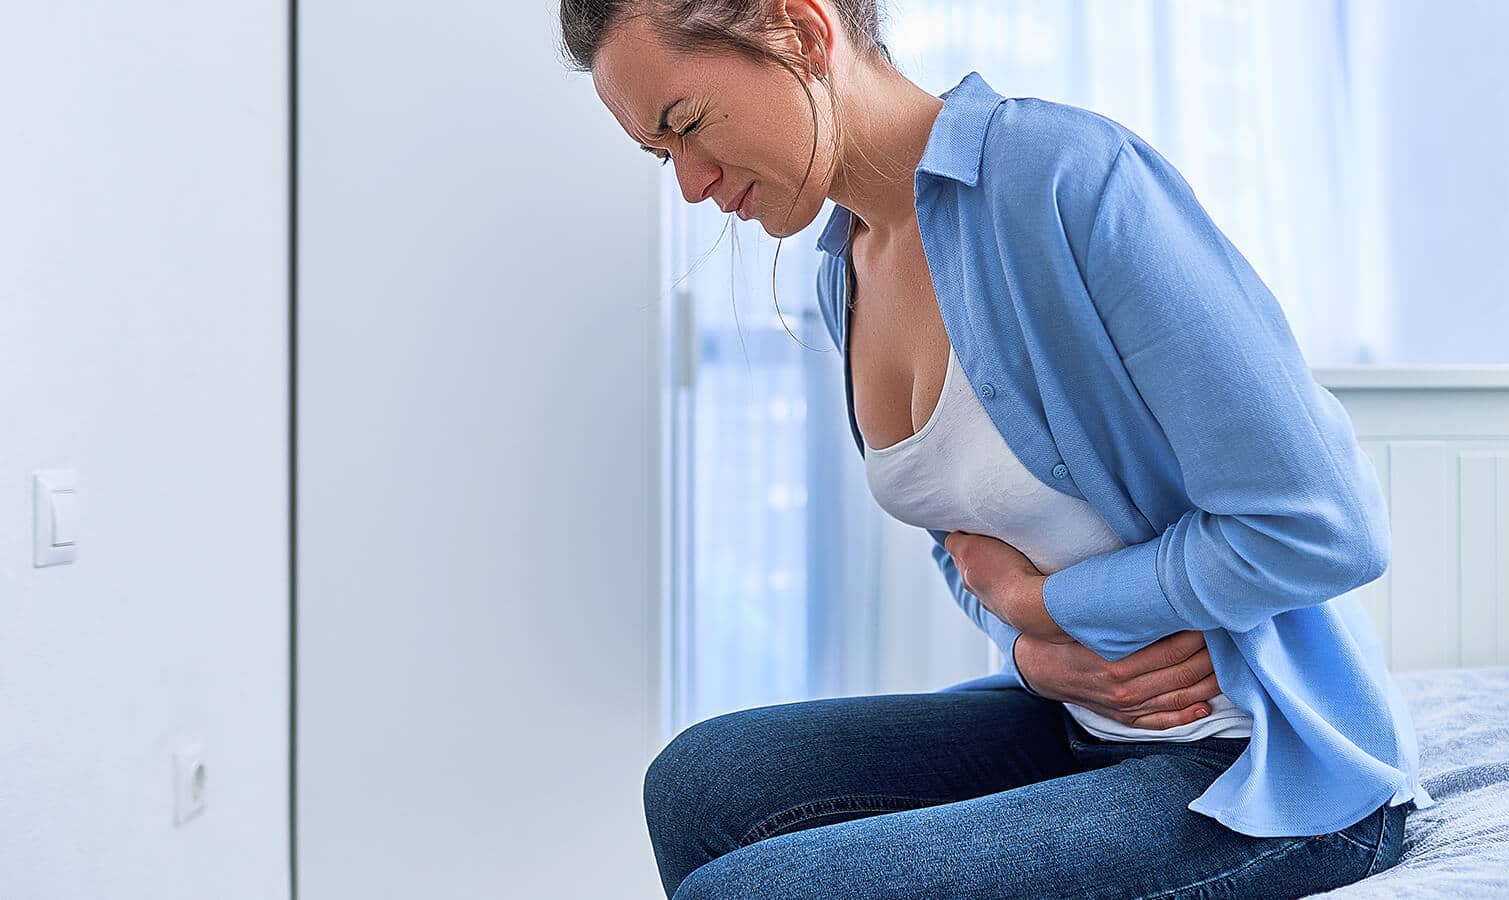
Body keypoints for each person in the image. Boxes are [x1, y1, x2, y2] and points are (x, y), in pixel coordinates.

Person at [563, 1, 1434, 897]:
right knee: (699, 781)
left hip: (1259, 760)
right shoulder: (846, 268)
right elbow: (971, 547)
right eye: (661, 155)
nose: (691, 186)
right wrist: (1031, 649)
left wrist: (1055, 603)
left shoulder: (1065, 178)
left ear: (799, 28)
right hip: (1079, 718)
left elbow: (1326, 528)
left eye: (689, 126)